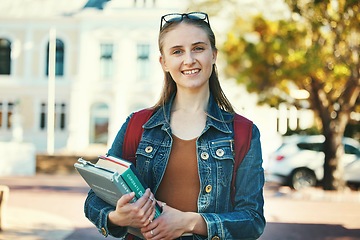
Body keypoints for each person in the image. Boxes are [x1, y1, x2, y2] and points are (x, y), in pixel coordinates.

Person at [84, 12, 266, 240]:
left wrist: (188, 222)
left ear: (214, 55)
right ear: (164, 62)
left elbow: (252, 220)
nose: (189, 59)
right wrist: (117, 218)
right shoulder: (137, 125)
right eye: (177, 51)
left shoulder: (243, 132)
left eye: (198, 48)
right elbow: (95, 199)